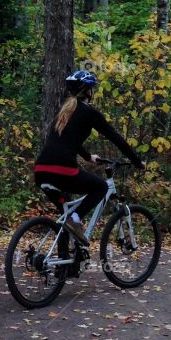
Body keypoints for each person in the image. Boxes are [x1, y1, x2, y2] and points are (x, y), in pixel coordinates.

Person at [33, 70, 145, 244]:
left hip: (41, 170)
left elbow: (67, 141)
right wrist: (137, 162)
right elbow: (116, 138)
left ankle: (65, 268)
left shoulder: (64, 112)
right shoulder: (88, 112)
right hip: (62, 170)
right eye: (92, 88)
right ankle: (75, 219)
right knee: (100, 187)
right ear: (87, 90)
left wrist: (87, 156)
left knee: (65, 218)